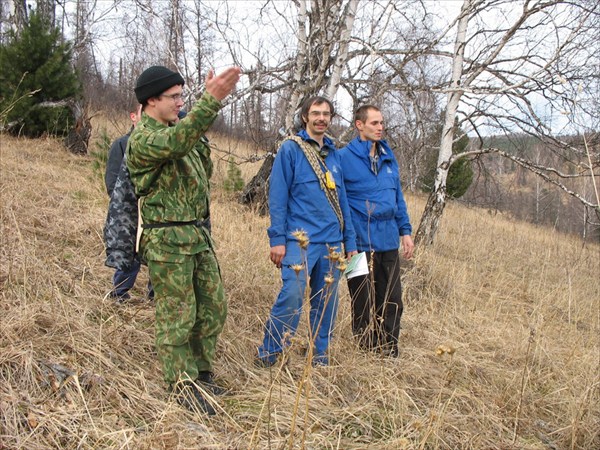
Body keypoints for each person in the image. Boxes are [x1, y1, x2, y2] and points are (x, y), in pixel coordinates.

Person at [126, 65, 240, 415]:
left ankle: (201, 374)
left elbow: (201, 165)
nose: (180, 103)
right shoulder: (143, 138)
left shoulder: (179, 130)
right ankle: (181, 385)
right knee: (178, 315)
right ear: (151, 101)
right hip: (167, 239)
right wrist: (210, 102)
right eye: (174, 97)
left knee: (212, 308)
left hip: (196, 234)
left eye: (182, 96)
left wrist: (196, 127)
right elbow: (175, 145)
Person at [256, 96, 358, 367]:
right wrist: (277, 239)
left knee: (327, 304)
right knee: (291, 296)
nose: (321, 118)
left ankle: (319, 355)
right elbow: (277, 197)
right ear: (305, 117)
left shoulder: (334, 154)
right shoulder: (291, 149)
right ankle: (270, 353)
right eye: (316, 113)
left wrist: (350, 241)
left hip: (332, 243)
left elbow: (343, 201)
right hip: (299, 242)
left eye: (326, 113)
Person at [339, 105, 415, 358]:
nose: (380, 127)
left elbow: (398, 198)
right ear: (359, 125)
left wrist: (405, 231)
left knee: (393, 299)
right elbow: (339, 202)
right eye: (374, 123)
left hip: (388, 241)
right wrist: (348, 242)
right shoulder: (343, 158)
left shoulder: (388, 158)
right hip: (356, 244)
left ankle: (389, 349)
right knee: (361, 299)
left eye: (382, 123)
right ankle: (364, 349)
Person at [104, 105, 154, 302]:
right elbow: (113, 180)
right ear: (134, 117)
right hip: (130, 211)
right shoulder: (122, 144)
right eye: (143, 114)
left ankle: (154, 295)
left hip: (153, 212)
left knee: (155, 253)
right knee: (129, 253)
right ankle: (119, 293)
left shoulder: (159, 144)